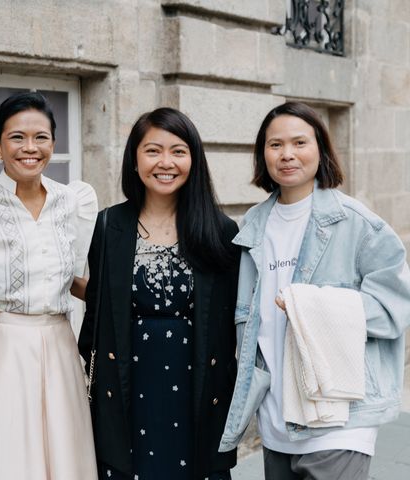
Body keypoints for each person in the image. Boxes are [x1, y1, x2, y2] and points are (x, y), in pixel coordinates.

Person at [218, 101, 410, 479]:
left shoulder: (357, 224)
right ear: (262, 156)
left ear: (320, 149)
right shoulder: (252, 227)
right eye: (275, 145)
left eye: (299, 142)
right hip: (275, 420)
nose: (287, 154)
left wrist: (312, 305)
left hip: (340, 420)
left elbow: (394, 310)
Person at [78, 108, 240, 480]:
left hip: (196, 386)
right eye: (153, 151)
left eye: (178, 151)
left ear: (194, 160)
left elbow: (230, 322)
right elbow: (98, 312)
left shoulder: (220, 230)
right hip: (127, 385)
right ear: (134, 159)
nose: (165, 162)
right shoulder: (109, 225)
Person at [0, 92, 99, 479]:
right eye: (16, 138)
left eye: (41, 137)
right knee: (13, 461)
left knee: (67, 459)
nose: (29, 148)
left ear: (53, 142)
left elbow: (78, 283)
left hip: (60, 343)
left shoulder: (73, 202)